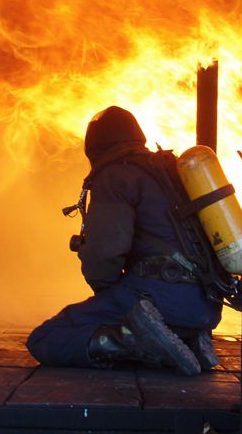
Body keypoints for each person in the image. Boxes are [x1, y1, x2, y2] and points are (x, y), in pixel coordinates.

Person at [26, 106, 222, 376]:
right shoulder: (173, 171)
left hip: (157, 298)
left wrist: (106, 289)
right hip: (206, 306)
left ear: (94, 148)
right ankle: (186, 336)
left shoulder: (116, 176)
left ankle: (131, 337)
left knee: (46, 338)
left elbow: (103, 256)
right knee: (148, 306)